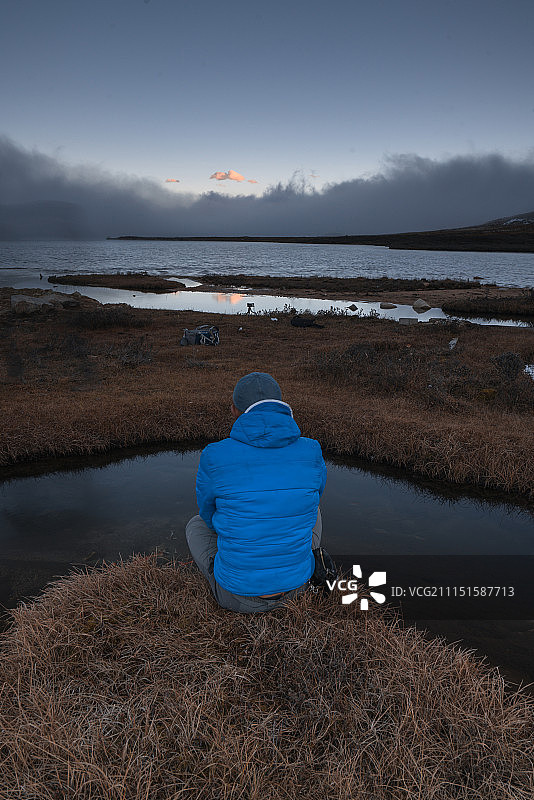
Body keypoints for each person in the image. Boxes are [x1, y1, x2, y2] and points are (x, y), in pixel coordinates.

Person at [185, 372, 327, 612]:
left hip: (235, 596)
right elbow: (314, 498)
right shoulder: (312, 449)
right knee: (314, 508)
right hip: (297, 587)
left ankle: (223, 567)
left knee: (196, 525)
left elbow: (208, 515)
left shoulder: (214, 454)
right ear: (280, 406)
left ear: (234, 410)